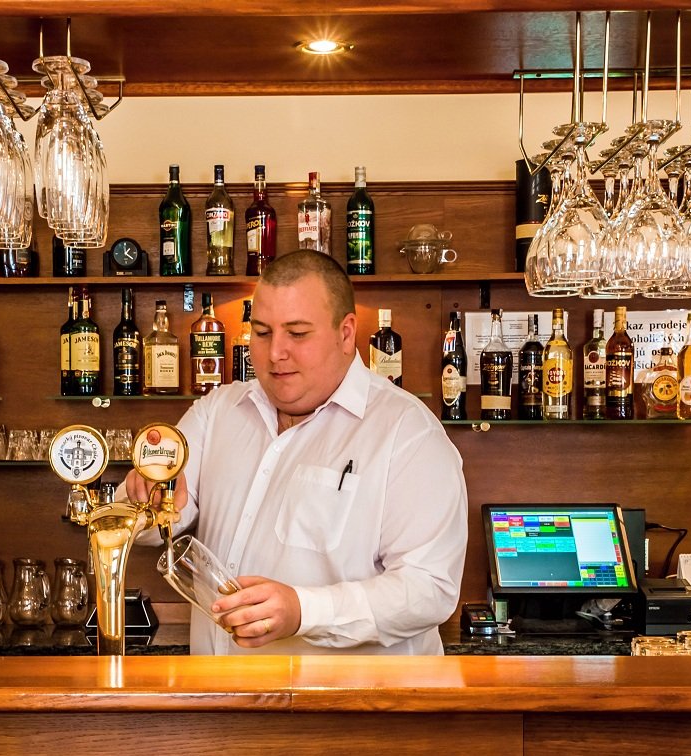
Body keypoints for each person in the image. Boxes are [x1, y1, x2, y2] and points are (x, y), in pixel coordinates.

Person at [125, 249, 467, 654]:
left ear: (346, 333)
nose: (275, 353)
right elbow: (150, 528)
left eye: (298, 333)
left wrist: (304, 611)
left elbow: (429, 588)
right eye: (262, 332)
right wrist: (146, 497)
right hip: (218, 690)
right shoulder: (217, 411)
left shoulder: (407, 432)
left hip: (349, 695)